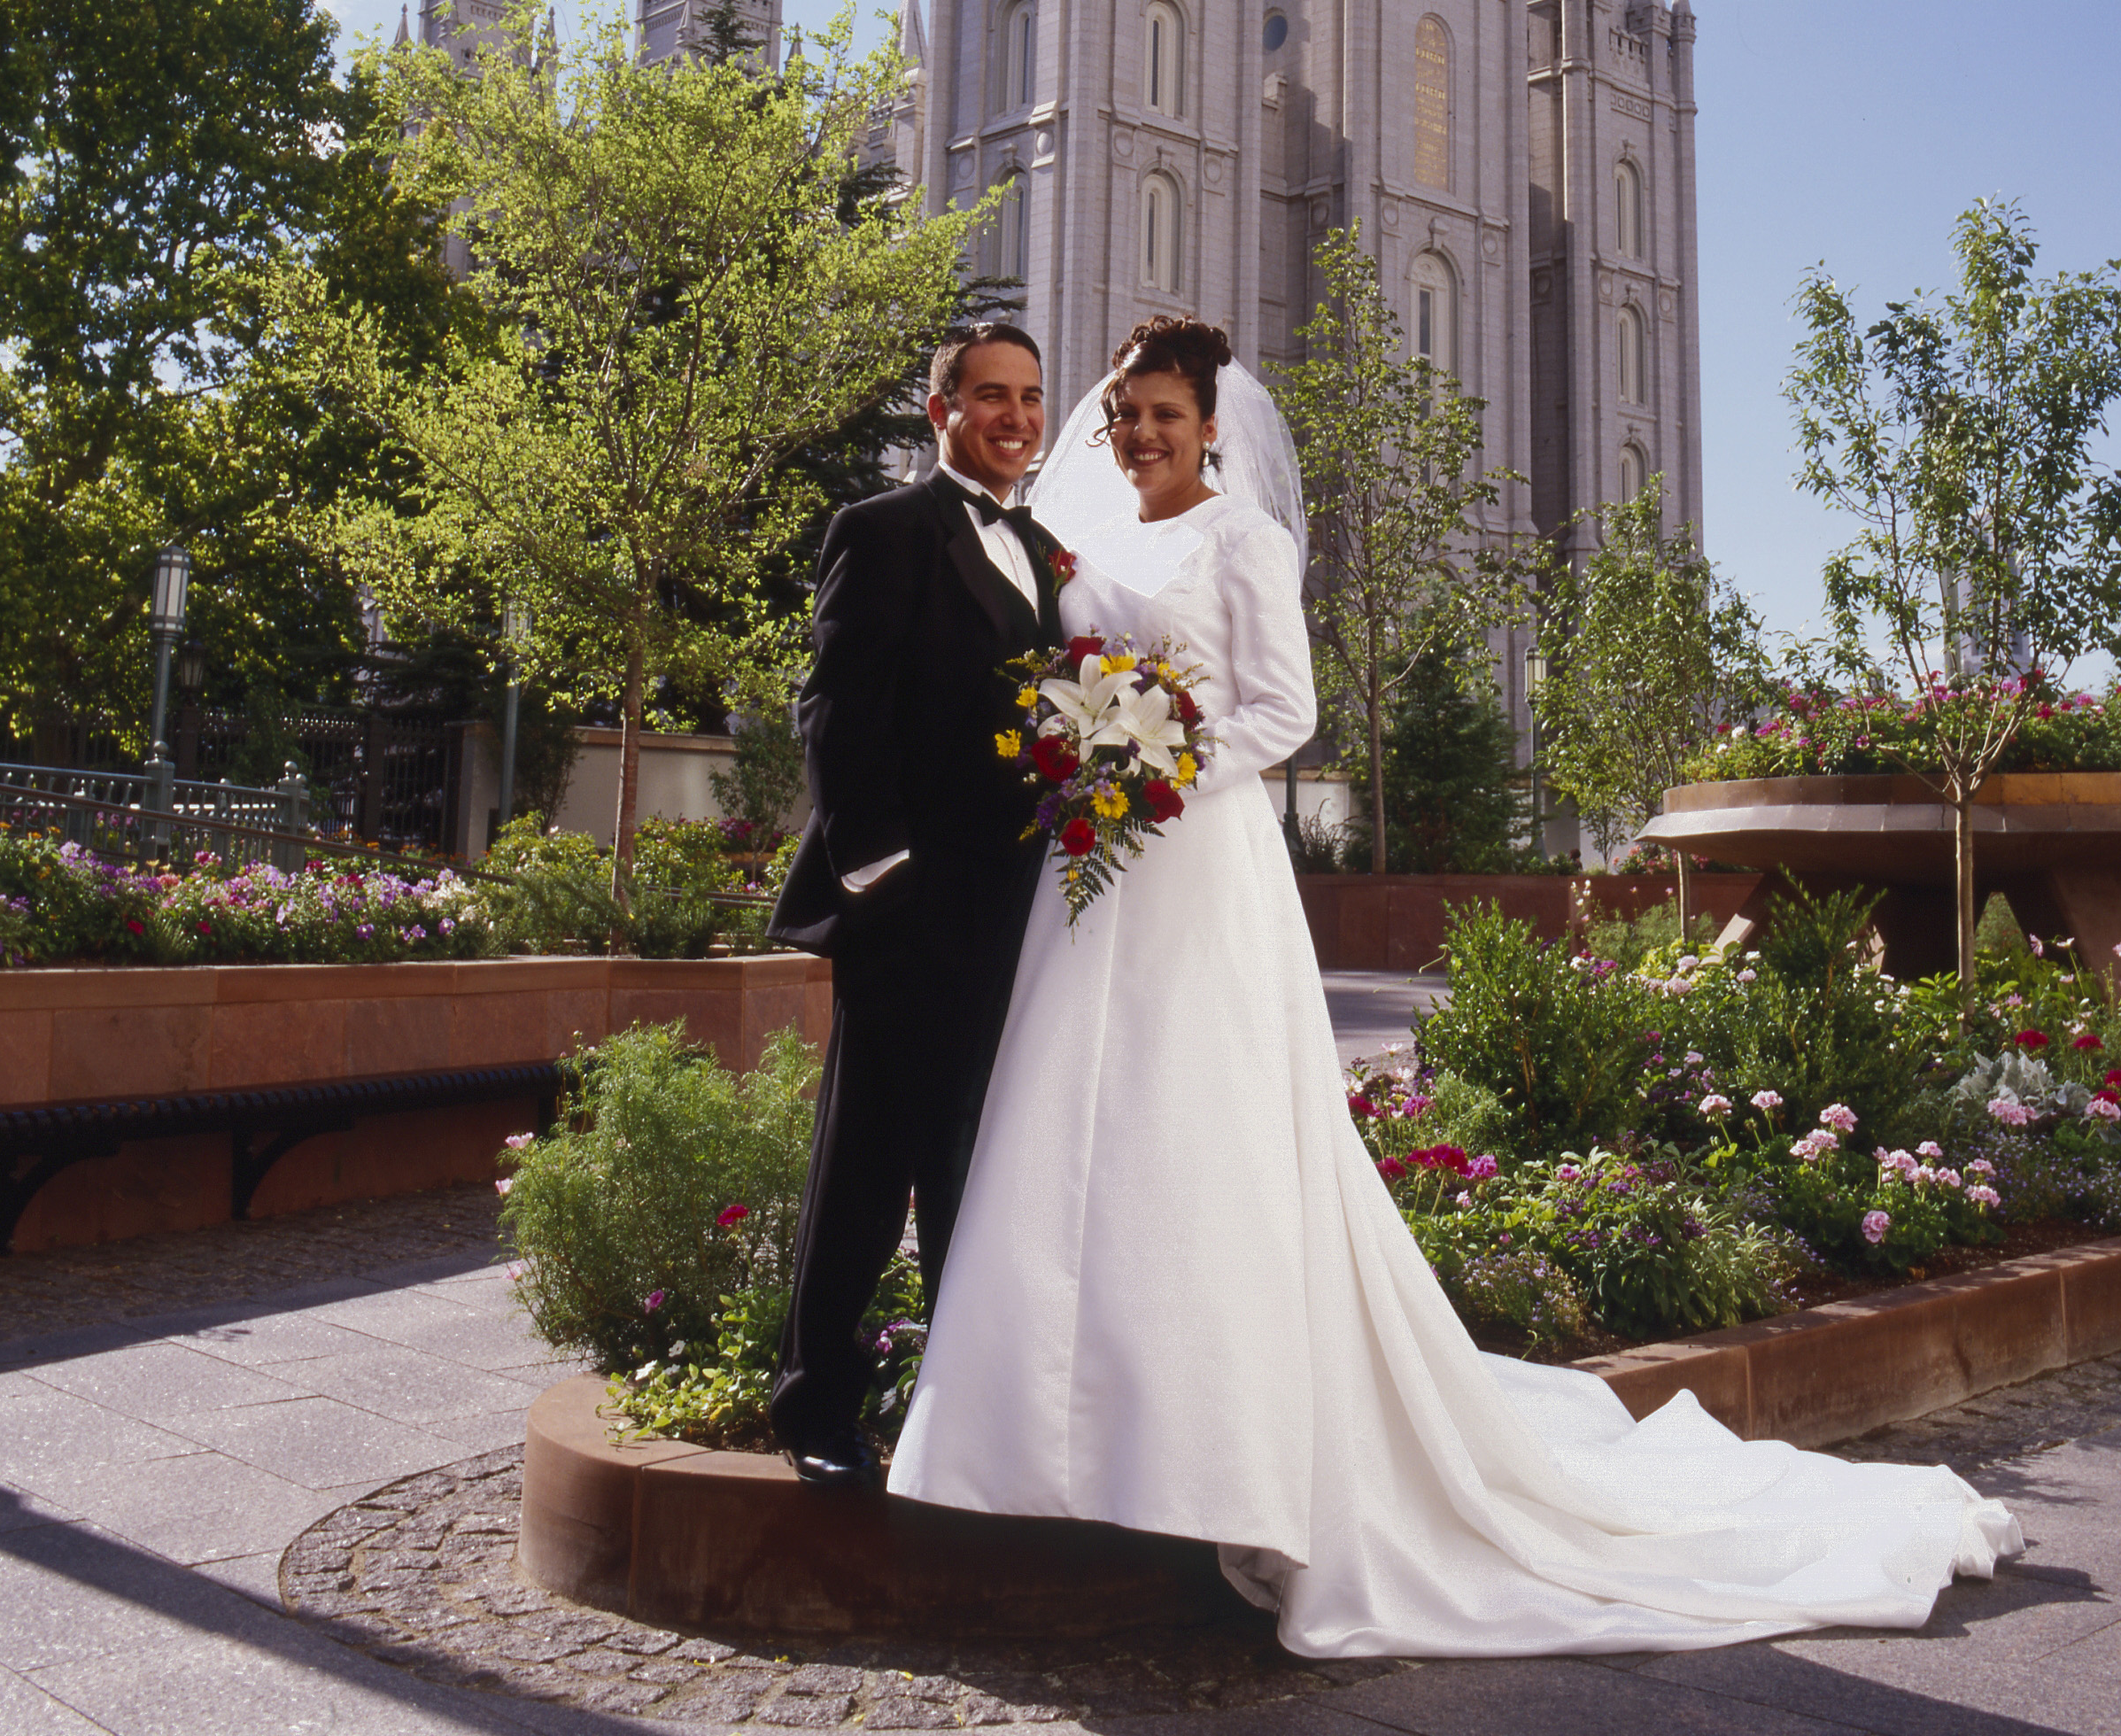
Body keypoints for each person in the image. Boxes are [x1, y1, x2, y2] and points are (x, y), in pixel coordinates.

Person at [890, 314, 2022, 1655]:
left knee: (1203, 1132)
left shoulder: (1243, 540)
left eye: (1168, 420)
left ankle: (1213, 1451)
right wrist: (1086, 747)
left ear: (1210, 429)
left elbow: (1283, 712)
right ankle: (1037, 1439)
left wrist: (1161, 768)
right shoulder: (1080, 544)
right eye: (1128, 416)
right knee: (1073, 1125)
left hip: (1196, 864)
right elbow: (1059, 674)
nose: (1141, 437)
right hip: (1092, 878)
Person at [766, 322, 1066, 1489]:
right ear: (941, 411)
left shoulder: (1047, 551)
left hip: (1019, 914)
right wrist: (882, 876)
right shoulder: (881, 531)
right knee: (868, 1162)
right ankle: (815, 1412)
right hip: (905, 911)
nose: (1014, 416)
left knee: (975, 1165)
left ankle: (960, 1414)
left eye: (1031, 398)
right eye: (990, 396)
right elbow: (834, 714)